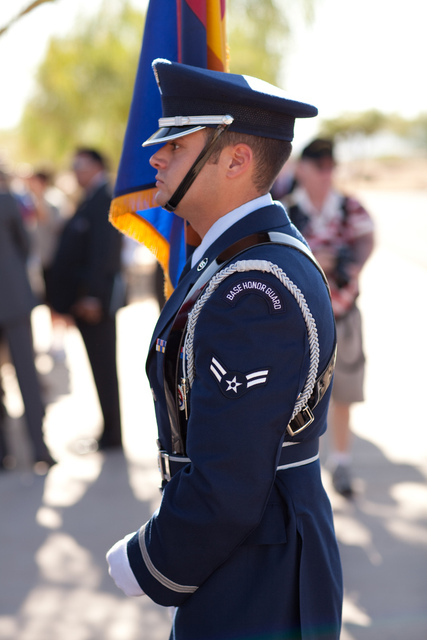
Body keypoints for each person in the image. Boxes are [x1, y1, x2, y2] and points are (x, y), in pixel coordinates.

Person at [107, 60, 342, 639]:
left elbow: (229, 481)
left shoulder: (253, 288)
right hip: (246, 554)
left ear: (235, 160)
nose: (155, 156)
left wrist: (150, 559)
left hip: (259, 571)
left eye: (177, 144)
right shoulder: (235, 260)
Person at [282, 138, 375, 497]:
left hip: (343, 310)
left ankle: (341, 461)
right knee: (295, 392)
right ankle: (300, 466)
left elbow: (366, 240)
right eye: (318, 165)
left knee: (344, 390)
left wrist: (346, 264)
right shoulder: (288, 210)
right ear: (301, 169)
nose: (325, 173)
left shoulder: (349, 207)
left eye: (330, 166)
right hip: (300, 317)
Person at [49, 149, 125, 451]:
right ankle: (109, 431)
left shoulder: (104, 198)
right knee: (99, 369)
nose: (74, 171)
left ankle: (112, 436)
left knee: (104, 369)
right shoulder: (91, 198)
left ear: (96, 165)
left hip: (95, 304)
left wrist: (93, 296)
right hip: (84, 301)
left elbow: (103, 255)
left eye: (78, 165)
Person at [0, 168, 55, 471]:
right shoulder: (7, 200)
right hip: (14, 300)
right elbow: (27, 246)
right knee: (27, 377)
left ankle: (4, 453)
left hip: (13, 301)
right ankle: (39, 449)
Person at [26, 170, 70, 360]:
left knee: (57, 301)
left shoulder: (53, 199)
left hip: (56, 261)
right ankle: (55, 339)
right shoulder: (33, 201)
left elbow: (55, 225)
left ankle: (59, 341)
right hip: (43, 261)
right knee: (49, 302)